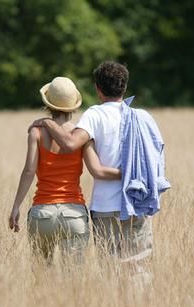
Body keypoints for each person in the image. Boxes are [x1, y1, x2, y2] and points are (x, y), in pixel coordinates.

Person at [30, 61, 169, 275]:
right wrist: (136, 176)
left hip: (105, 207)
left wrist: (47, 123)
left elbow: (70, 144)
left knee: (110, 270)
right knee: (138, 268)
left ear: (97, 89)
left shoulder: (94, 115)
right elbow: (157, 159)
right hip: (137, 202)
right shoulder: (144, 118)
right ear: (124, 86)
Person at [9, 76, 121, 263]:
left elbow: (29, 171)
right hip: (74, 214)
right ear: (73, 106)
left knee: (42, 278)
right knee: (74, 282)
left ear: (48, 104)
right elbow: (97, 169)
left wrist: (16, 206)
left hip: (42, 213)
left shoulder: (35, 132)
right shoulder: (82, 133)